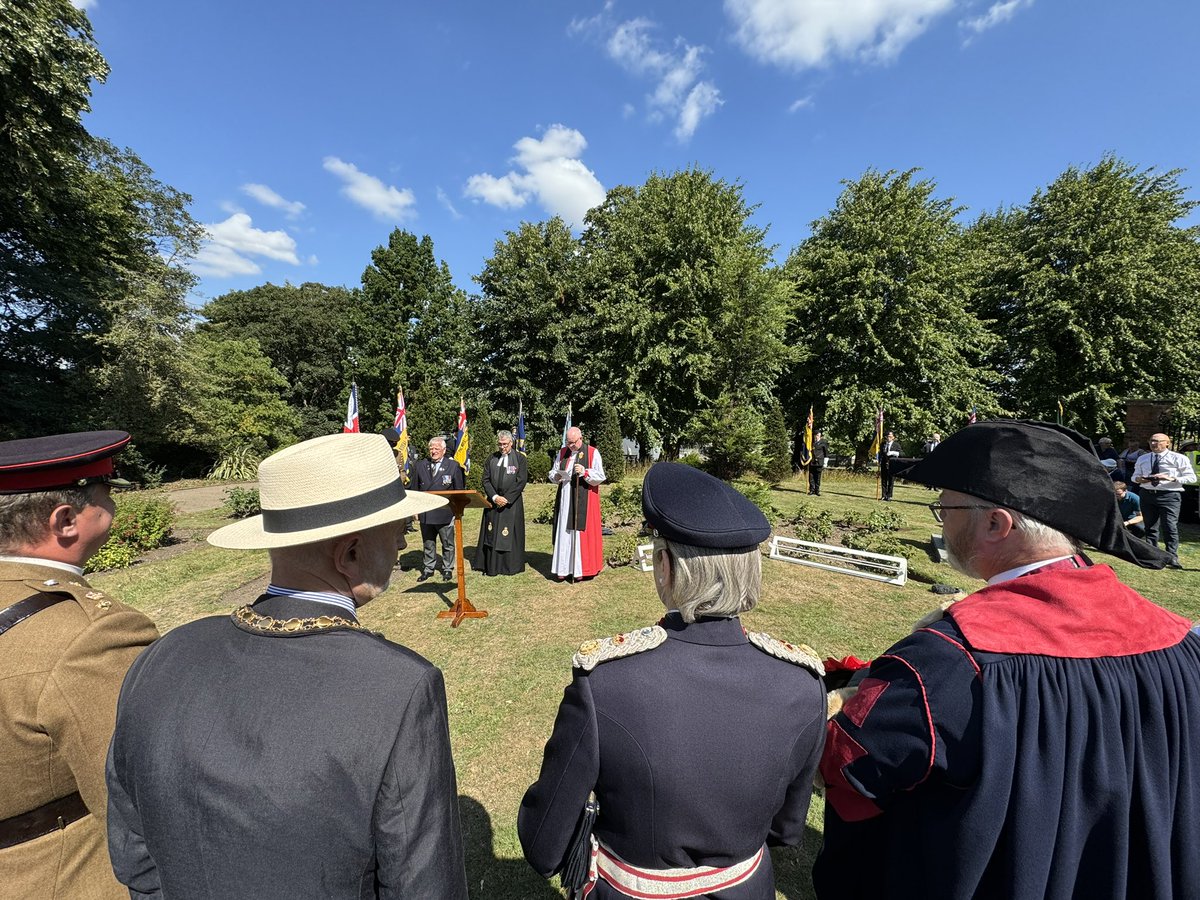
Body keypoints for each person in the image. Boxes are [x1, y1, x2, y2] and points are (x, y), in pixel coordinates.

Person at [816, 419, 1199, 900]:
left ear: (996, 523)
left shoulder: (953, 657)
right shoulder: (1182, 638)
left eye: (946, 507)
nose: (942, 518)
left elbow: (851, 768)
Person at [105, 433, 468, 899]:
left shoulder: (163, 654)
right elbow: (424, 885)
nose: (403, 540)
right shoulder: (398, 688)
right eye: (396, 527)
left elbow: (133, 852)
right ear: (350, 554)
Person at [519, 462, 826, 898]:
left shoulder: (606, 682)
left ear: (666, 565)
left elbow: (544, 844)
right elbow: (787, 828)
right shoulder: (804, 682)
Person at [0, 430, 158, 900]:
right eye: (106, 495)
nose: (112, 506)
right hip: (55, 877)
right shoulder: (91, 637)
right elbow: (139, 802)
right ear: (66, 520)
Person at [1131, 432, 1196, 569]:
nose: (1154, 444)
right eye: (1152, 441)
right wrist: (1139, 479)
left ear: (1167, 443)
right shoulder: (1143, 458)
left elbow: (1192, 478)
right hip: (1147, 493)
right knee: (1150, 527)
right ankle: (1152, 555)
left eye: (1158, 441)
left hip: (1170, 495)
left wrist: (1171, 478)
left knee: (1170, 526)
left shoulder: (1178, 458)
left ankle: (1172, 557)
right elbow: (1134, 476)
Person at [549, 426, 606, 580]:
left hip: (583, 499)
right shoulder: (562, 453)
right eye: (568, 443)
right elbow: (553, 471)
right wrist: (556, 477)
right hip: (565, 498)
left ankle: (580, 570)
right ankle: (563, 568)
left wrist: (585, 472)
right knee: (564, 533)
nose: (571, 446)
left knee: (578, 533)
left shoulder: (592, 452)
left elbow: (600, 475)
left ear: (580, 438)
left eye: (573, 443)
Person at [474, 429, 528, 576]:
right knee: (492, 533)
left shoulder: (520, 459)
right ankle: (492, 565)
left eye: (505, 444)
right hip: (493, 502)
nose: (502, 447)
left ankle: (509, 566)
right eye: (500, 444)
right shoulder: (491, 458)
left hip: (512, 503)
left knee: (508, 533)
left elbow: (521, 481)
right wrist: (494, 497)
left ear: (511, 443)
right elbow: (485, 479)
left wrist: (507, 498)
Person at [411, 435, 465, 581]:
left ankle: (448, 568)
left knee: (447, 543)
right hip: (426, 512)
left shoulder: (453, 466)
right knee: (428, 542)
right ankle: (428, 568)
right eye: (431, 448)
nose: (433, 451)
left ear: (444, 450)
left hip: (445, 512)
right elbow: (414, 490)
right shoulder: (420, 465)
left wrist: (458, 511)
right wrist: (415, 510)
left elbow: (459, 490)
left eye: (436, 448)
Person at [878, 431, 901, 501]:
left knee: (891, 481)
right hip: (884, 464)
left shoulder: (896, 445)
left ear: (893, 437)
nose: (889, 438)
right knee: (884, 480)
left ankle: (889, 495)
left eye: (890, 436)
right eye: (888, 436)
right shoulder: (883, 444)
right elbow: (880, 453)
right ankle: (883, 495)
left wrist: (894, 453)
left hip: (892, 464)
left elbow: (902, 453)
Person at [808, 430, 830, 496]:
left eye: (818, 435)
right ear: (814, 436)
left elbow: (826, 453)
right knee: (811, 476)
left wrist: (825, 462)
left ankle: (817, 490)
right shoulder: (811, 443)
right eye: (816, 435)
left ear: (820, 436)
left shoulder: (823, 443)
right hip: (812, 461)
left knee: (818, 477)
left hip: (819, 462)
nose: (817, 437)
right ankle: (811, 490)